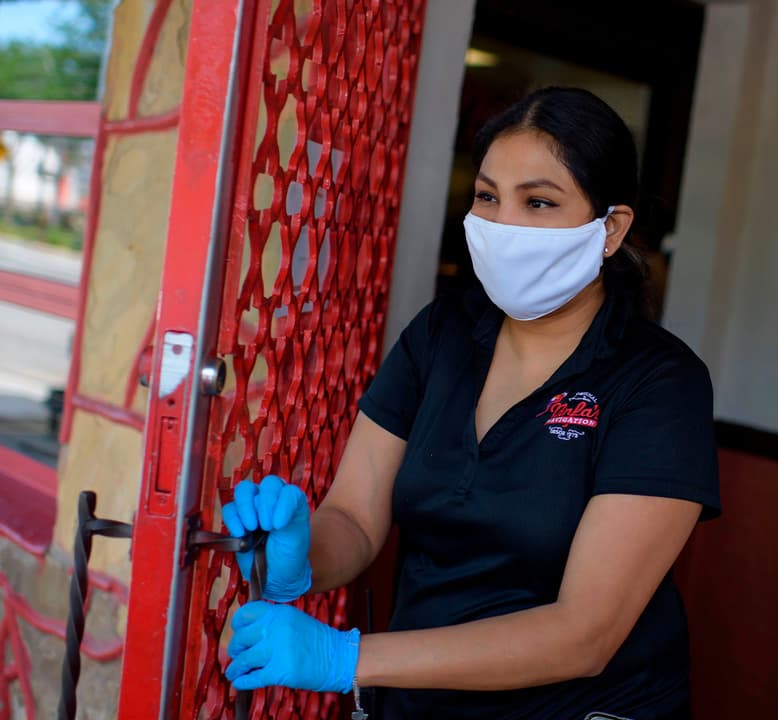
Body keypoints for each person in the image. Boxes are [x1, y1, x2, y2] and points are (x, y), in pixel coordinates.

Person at [221, 87, 721, 719]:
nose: (505, 224)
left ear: (611, 229)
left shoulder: (659, 383)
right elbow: (353, 517)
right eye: (489, 196)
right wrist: (299, 559)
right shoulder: (443, 334)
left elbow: (585, 634)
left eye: (538, 202)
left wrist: (347, 660)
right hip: (418, 704)